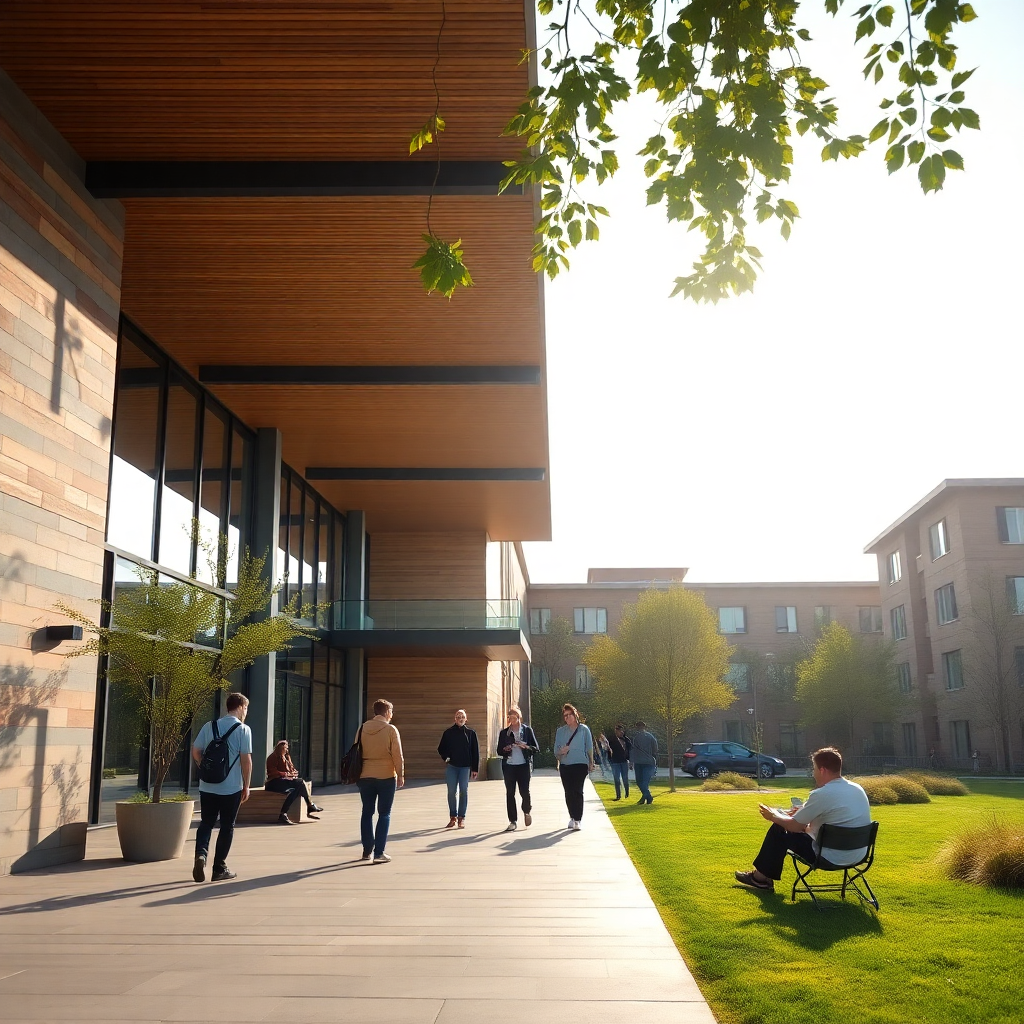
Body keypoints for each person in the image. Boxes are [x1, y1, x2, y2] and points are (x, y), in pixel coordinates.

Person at [734, 746, 870, 891]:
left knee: (779, 828)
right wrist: (803, 811)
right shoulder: (857, 788)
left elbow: (794, 826)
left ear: (822, 770)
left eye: (814, 769)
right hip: (858, 855)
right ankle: (761, 877)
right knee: (785, 825)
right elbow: (834, 813)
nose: (813, 773)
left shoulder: (822, 793)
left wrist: (773, 816)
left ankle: (760, 879)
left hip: (829, 857)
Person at [190, 692, 252, 883]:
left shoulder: (210, 726)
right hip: (231, 787)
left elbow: (196, 750)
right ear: (241, 707)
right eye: (246, 708)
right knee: (227, 826)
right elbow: (246, 760)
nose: (246, 712)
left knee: (206, 822)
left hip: (207, 786)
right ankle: (219, 868)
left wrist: (206, 768)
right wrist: (247, 786)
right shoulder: (243, 730)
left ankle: (201, 854)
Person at [357, 698, 405, 864]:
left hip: (365, 775)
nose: (392, 715)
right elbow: (397, 755)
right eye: (391, 712)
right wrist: (401, 774)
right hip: (386, 776)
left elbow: (355, 750)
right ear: (386, 712)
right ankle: (379, 853)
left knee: (367, 812)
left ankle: (366, 850)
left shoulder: (362, 728)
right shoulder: (391, 729)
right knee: (384, 813)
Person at [497, 704, 539, 832]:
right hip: (509, 766)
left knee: (524, 791)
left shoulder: (527, 731)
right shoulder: (504, 733)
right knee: (510, 793)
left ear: (519, 717)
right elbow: (499, 750)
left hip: (523, 766)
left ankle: (526, 811)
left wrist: (525, 746)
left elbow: (536, 749)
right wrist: (506, 749)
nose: (512, 719)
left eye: (514, 717)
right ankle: (512, 821)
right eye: (510, 717)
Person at [553, 703, 595, 831]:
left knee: (577, 791)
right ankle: (572, 816)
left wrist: (591, 762)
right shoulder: (561, 731)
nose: (567, 717)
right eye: (565, 716)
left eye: (569, 714)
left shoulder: (584, 729)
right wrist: (562, 751)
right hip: (566, 765)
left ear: (575, 714)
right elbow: (556, 750)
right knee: (568, 792)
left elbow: (589, 747)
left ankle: (578, 819)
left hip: (580, 764)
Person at [437, 708, 480, 828]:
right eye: (458, 717)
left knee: (463, 792)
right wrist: (446, 758)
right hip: (452, 767)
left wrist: (475, 768)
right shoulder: (448, 732)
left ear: (466, 719)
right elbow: (441, 748)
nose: (460, 719)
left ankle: (461, 817)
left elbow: (475, 752)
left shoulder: (471, 733)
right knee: (451, 792)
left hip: (465, 768)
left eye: (462, 717)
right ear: (455, 719)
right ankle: (453, 817)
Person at [265, 739, 324, 824]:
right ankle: (310, 805)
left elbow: (292, 769)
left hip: (285, 781)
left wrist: (293, 773)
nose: (287, 750)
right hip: (274, 782)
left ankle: (283, 814)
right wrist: (285, 774)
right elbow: (272, 772)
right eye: (285, 748)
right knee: (299, 783)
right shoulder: (272, 757)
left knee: (297, 788)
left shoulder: (286, 757)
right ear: (281, 748)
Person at [630, 720, 658, 805]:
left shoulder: (636, 737)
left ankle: (648, 797)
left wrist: (631, 761)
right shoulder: (650, 737)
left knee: (641, 782)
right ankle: (646, 798)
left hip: (642, 762)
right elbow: (655, 749)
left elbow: (633, 750)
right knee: (643, 782)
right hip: (647, 762)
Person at [607, 723, 632, 800]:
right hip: (615, 762)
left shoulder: (626, 740)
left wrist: (631, 761)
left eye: (621, 731)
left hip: (624, 761)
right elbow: (608, 751)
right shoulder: (611, 740)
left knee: (625, 778)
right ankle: (618, 795)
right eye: (619, 731)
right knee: (616, 779)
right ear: (616, 731)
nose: (621, 732)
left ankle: (627, 792)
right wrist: (610, 760)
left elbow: (630, 750)